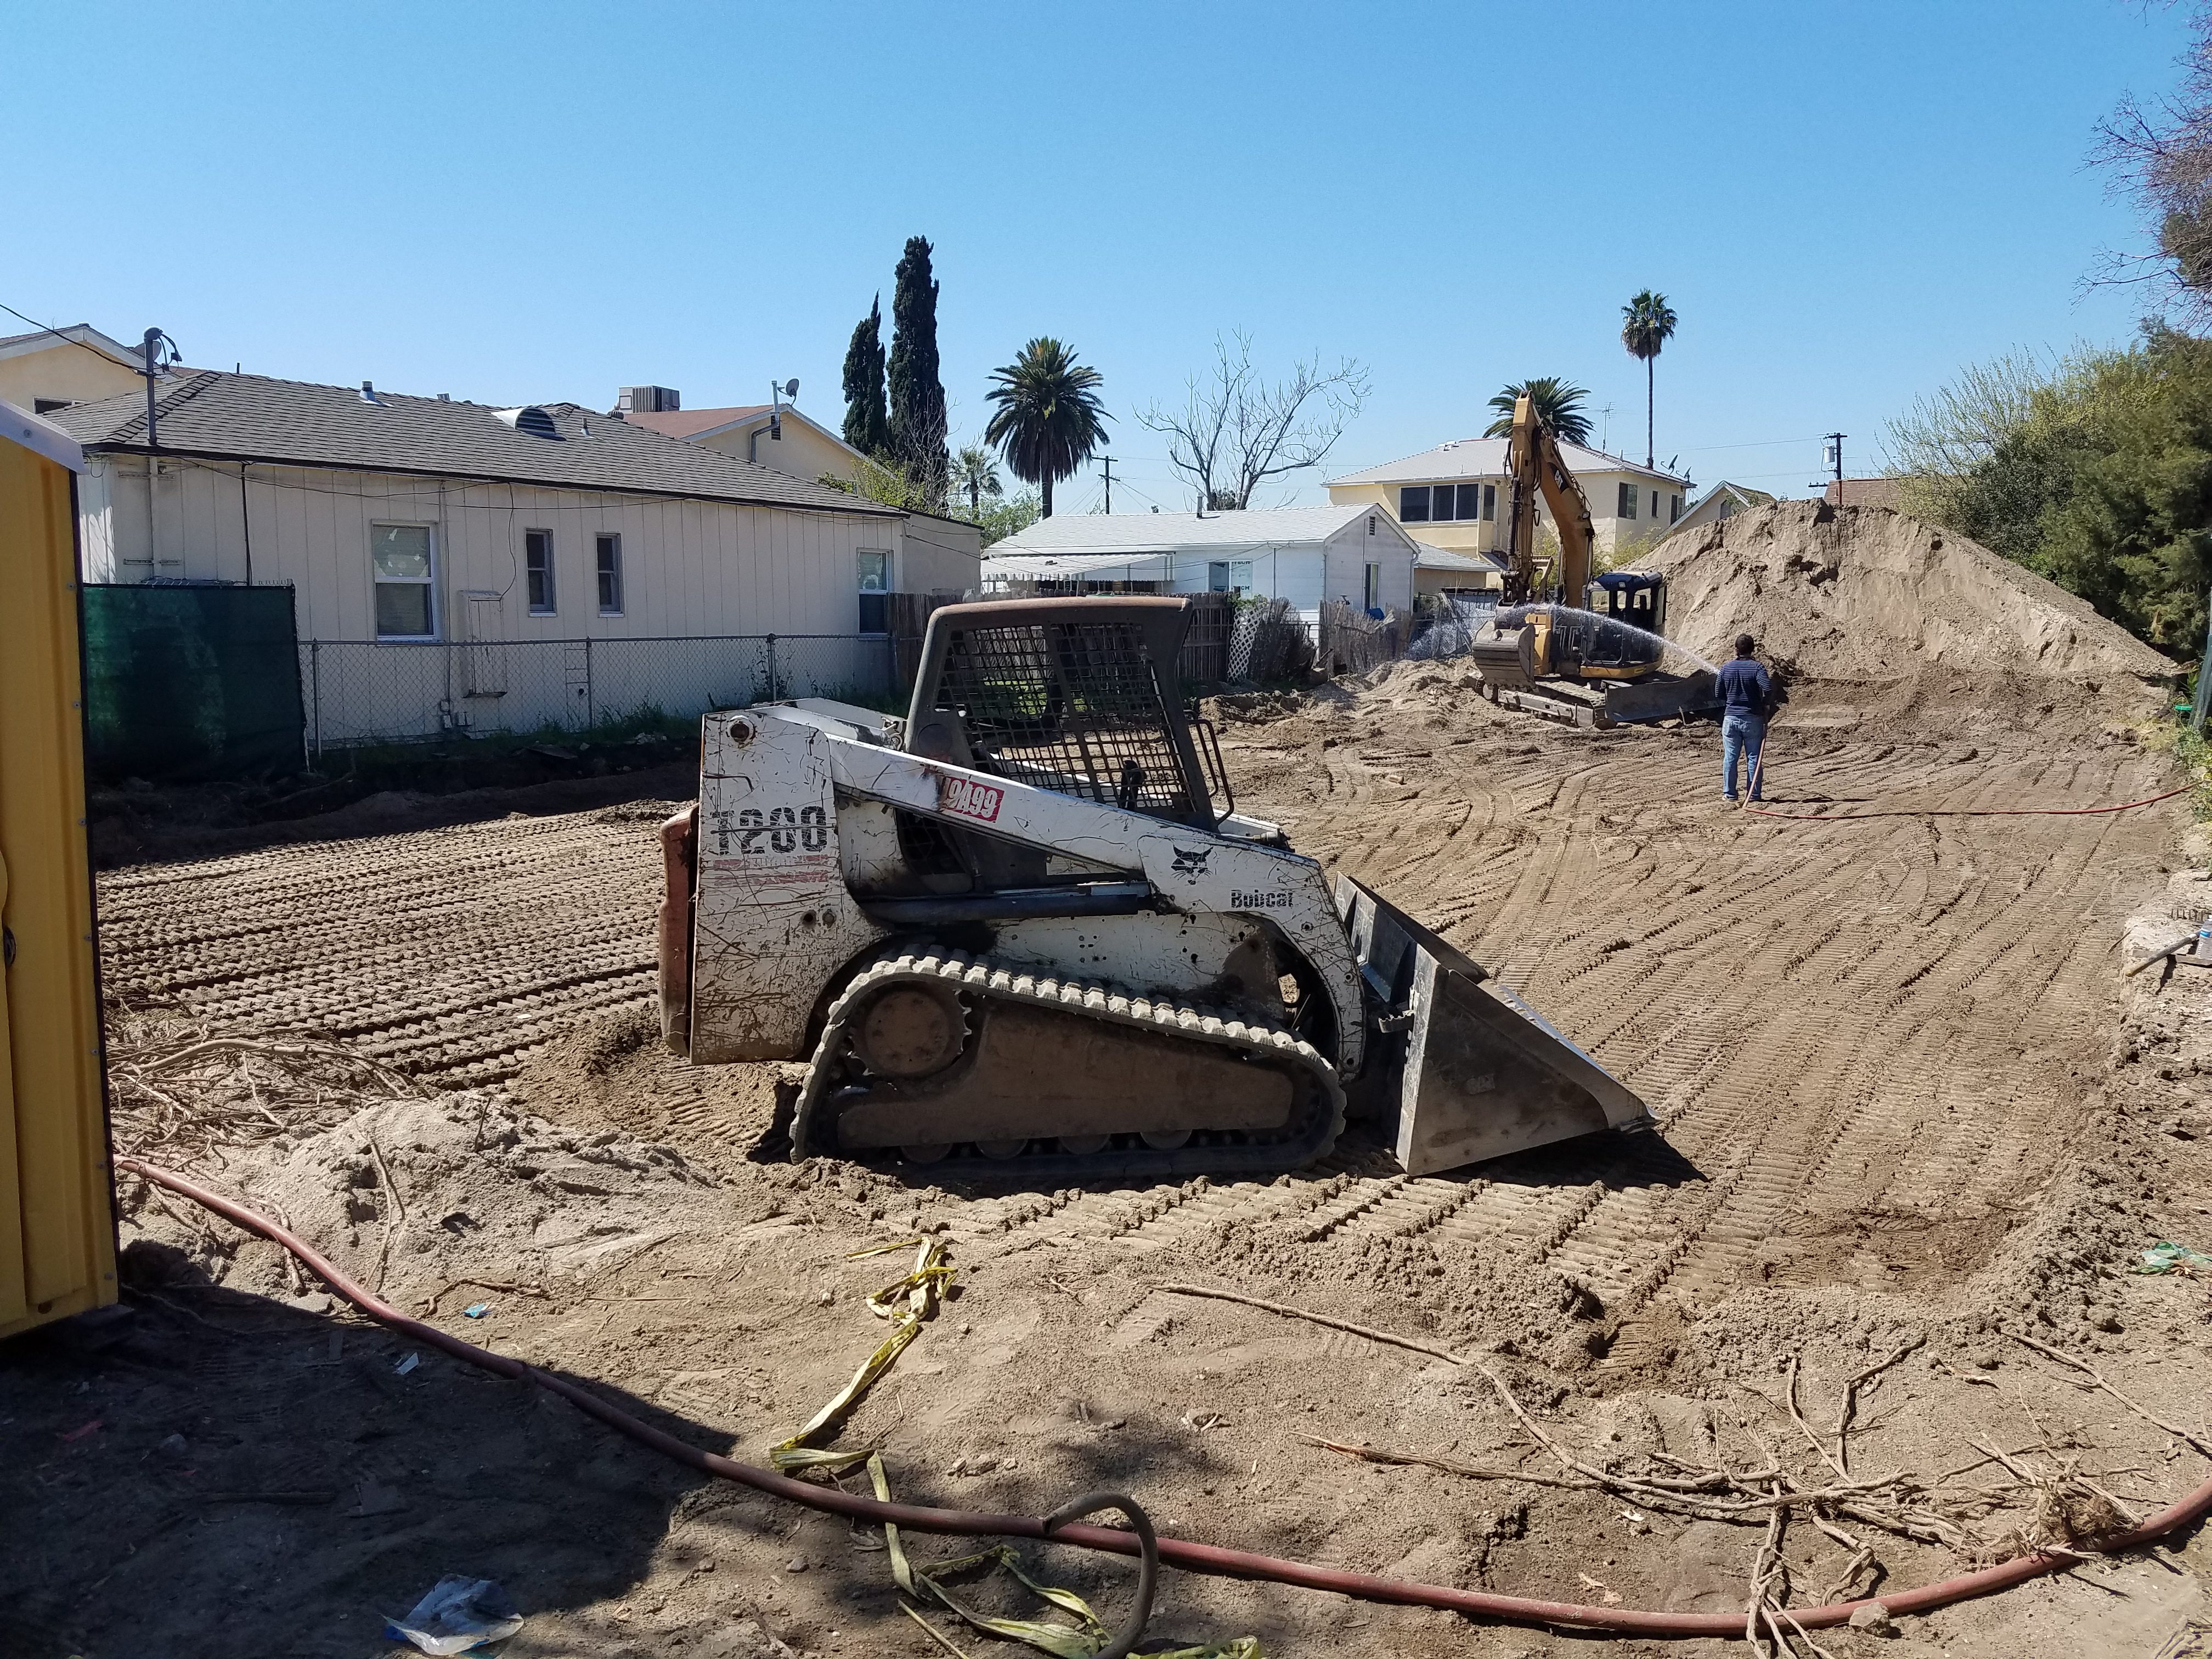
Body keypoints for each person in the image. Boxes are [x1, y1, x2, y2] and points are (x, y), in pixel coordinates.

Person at [1715, 633, 1771, 802]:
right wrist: (1765, 705)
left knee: (1730, 757)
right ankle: (1754, 795)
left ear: (1736, 650)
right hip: (1753, 718)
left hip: (1731, 719)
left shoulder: (1726, 668)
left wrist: (1732, 700)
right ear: (1753, 650)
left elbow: (1718, 693)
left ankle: (1730, 794)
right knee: (1754, 757)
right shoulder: (1757, 668)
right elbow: (1767, 688)